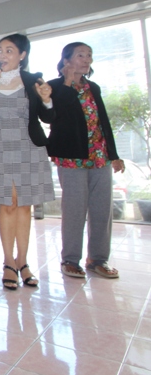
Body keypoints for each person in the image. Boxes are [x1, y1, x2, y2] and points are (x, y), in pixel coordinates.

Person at [0, 33, 54, 290]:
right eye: (0, 50)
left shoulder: (34, 81)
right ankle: (8, 262)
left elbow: (48, 117)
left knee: (24, 205)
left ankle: (23, 261)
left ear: (22, 55)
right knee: (7, 204)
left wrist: (47, 100)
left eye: (9, 50)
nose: (2, 55)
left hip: (28, 147)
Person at [47, 42, 123, 279]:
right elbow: (57, 114)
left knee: (102, 209)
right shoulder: (54, 86)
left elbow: (103, 122)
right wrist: (68, 82)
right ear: (66, 60)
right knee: (74, 210)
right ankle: (70, 260)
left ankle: (98, 259)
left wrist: (114, 155)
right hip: (72, 157)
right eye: (80, 55)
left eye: (89, 55)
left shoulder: (93, 87)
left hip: (99, 156)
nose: (87, 59)